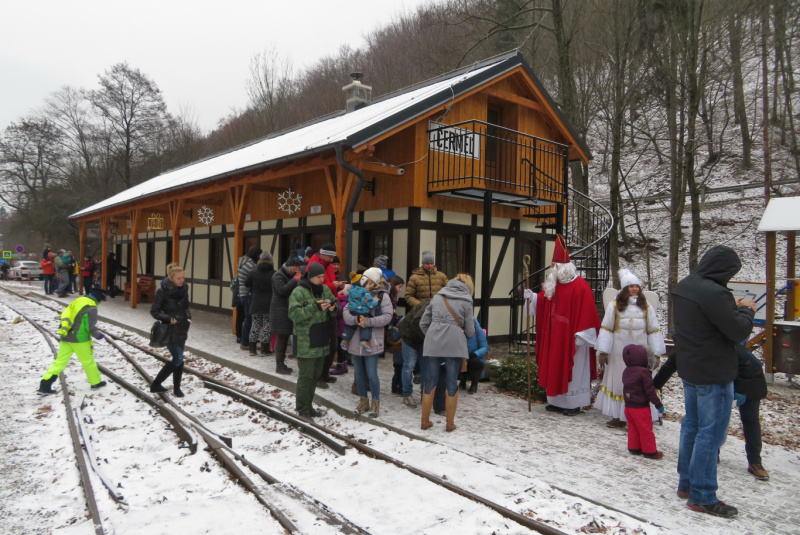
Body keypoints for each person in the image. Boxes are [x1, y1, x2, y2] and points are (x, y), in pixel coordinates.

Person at [671, 245, 756, 518]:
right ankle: (703, 496)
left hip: (690, 369)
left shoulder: (686, 285)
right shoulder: (715, 293)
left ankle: (687, 484)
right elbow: (738, 330)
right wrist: (746, 310)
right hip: (714, 374)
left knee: (691, 427)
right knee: (711, 435)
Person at [653, 344, 770, 481]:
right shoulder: (686, 349)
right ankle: (713, 454)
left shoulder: (724, 347)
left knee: (750, 420)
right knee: (713, 420)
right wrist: (652, 388)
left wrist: (741, 389)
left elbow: (752, 367)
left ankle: (755, 461)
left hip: (750, 381)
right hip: (719, 381)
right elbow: (668, 367)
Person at [524, 236, 601, 415]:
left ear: (565, 267)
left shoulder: (581, 287)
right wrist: (532, 298)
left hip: (572, 339)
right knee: (554, 367)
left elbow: (589, 313)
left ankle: (572, 403)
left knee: (572, 371)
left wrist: (581, 336)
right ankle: (556, 401)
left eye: (555, 266)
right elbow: (544, 301)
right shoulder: (553, 285)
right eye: (552, 266)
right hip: (554, 337)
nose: (552, 269)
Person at [595, 269, 666, 427]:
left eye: (637, 286)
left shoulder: (646, 306)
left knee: (640, 383)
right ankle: (619, 417)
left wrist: (656, 354)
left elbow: (653, 330)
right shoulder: (615, 306)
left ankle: (642, 416)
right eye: (631, 286)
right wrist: (604, 351)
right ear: (625, 289)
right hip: (619, 353)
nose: (634, 289)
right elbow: (606, 328)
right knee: (620, 382)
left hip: (641, 353)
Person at [419, 273, 475, 431]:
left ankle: (425, 420)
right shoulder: (466, 300)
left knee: (430, 381)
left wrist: (431, 336)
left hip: (433, 342)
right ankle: (450, 423)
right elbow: (470, 331)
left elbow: (423, 323)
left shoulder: (437, 297)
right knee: (451, 382)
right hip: (454, 344)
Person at [288, 262, 338, 420]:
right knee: (306, 375)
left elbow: (334, 307)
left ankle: (309, 406)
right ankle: (302, 409)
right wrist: (313, 308)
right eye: (318, 277)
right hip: (306, 341)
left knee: (316, 375)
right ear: (310, 277)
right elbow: (293, 314)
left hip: (322, 339)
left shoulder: (325, 289)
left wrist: (333, 309)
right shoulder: (299, 291)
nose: (322, 280)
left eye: (323, 276)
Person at [343, 267, 393, 418]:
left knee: (371, 374)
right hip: (355, 341)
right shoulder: (356, 291)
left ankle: (375, 403)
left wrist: (369, 321)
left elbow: (387, 316)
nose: (365, 281)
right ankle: (363, 401)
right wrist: (356, 320)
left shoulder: (383, 296)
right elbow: (346, 311)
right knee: (359, 374)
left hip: (372, 340)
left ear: (374, 281)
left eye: (368, 279)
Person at [38, 288, 108, 394]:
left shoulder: (79, 300)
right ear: (99, 298)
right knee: (88, 362)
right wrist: (98, 335)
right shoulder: (92, 308)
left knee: (60, 362)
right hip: (80, 339)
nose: (102, 302)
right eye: (102, 300)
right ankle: (96, 383)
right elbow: (90, 327)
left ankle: (45, 385)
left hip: (66, 335)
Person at [149, 263, 192, 397]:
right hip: (170, 329)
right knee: (178, 358)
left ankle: (177, 388)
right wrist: (169, 318)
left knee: (179, 360)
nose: (182, 280)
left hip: (183, 328)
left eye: (183, 277)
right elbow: (154, 311)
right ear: (171, 278)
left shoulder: (184, 288)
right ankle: (156, 384)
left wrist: (188, 316)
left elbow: (185, 306)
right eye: (178, 278)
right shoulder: (162, 291)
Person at [308, 243, 346, 387]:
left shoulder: (328, 265)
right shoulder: (314, 265)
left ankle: (324, 373)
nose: (332, 258)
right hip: (320, 308)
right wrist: (333, 286)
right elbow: (316, 286)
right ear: (322, 254)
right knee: (321, 345)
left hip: (331, 306)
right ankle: (317, 377)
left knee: (332, 345)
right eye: (329, 255)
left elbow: (328, 284)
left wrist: (338, 286)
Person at [621, 344, 665, 458]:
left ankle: (634, 447)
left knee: (633, 428)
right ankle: (650, 451)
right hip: (641, 407)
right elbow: (650, 391)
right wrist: (658, 404)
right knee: (645, 429)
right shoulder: (643, 372)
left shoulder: (626, 370)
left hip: (628, 406)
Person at [270, 254, 303, 375]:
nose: (297, 269)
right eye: (296, 267)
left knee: (285, 337)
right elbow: (281, 290)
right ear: (290, 266)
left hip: (288, 310)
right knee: (281, 337)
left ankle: (282, 363)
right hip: (279, 311)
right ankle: (279, 365)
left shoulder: (289, 275)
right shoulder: (278, 275)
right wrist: (295, 280)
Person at [397, 298, 431, 408]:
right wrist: (428, 337)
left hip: (422, 337)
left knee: (425, 366)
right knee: (409, 365)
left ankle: (424, 394)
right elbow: (417, 321)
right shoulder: (431, 304)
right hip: (409, 335)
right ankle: (407, 394)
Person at [245, 251, 275, 356]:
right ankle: (264, 349)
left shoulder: (253, 272)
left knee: (255, 324)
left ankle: (252, 349)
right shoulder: (274, 273)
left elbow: (246, 283)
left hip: (256, 301)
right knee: (267, 325)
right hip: (269, 302)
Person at [340, 276, 380, 351]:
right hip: (363, 312)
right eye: (367, 284)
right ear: (363, 286)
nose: (368, 285)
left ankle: (345, 340)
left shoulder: (350, 292)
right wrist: (375, 301)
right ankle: (364, 341)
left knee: (350, 326)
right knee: (365, 325)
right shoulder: (365, 294)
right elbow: (371, 304)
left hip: (352, 311)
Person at [237, 245, 262, 350]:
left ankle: (246, 340)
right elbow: (258, 275)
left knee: (248, 318)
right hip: (247, 294)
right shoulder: (250, 265)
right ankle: (245, 342)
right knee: (249, 318)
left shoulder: (243, 261)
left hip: (242, 294)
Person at [460, 317, 488, 394]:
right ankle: (462, 380)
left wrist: (475, 354)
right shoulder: (455, 326)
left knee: (475, 363)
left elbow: (485, 347)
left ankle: (474, 384)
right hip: (459, 355)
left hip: (473, 356)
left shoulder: (477, 329)